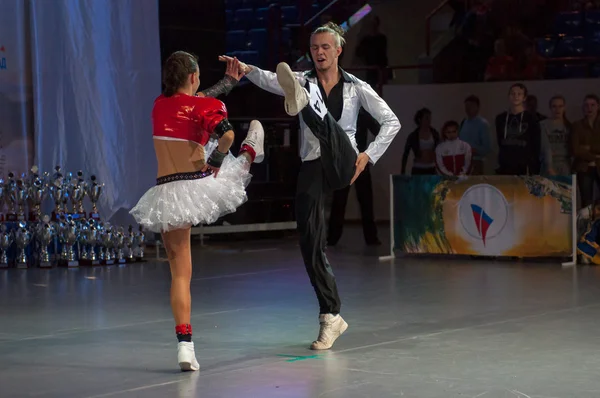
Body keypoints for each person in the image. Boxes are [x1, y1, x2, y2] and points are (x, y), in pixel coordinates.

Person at [219, 21, 400, 350]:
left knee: (327, 124)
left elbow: (392, 121)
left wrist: (369, 155)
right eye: (315, 47)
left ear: (338, 50)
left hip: (344, 161)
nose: (319, 52)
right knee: (310, 241)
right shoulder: (301, 79)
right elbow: (271, 79)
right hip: (313, 165)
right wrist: (245, 69)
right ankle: (331, 316)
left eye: (325, 47)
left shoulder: (356, 87)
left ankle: (306, 104)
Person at [129, 51, 265, 371]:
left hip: (167, 192)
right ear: (193, 77)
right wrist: (218, 157)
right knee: (231, 174)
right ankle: (249, 153)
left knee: (180, 275)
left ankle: (185, 347)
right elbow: (225, 131)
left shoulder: (159, 106)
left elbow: (194, 100)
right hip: (196, 183)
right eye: (199, 75)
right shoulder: (203, 107)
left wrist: (226, 83)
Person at [327, 108, 381, 247]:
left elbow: (378, 130)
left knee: (365, 200)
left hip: (359, 160)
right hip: (345, 161)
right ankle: (332, 238)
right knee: (340, 200)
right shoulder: (341, 112)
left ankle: (370, 237)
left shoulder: (362, 115)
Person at [495, 83, 541, 175]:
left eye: (519, 94)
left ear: (524, 98)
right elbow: (500, 141)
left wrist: (533, 167)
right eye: (513, 93)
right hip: (505, 166)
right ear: (509, 96)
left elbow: (536, 145)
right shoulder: (500, 118)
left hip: (525, 167)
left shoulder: (532, 118)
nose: (516, 96)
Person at [571, 94, 600, 208]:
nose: (589, 108)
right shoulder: (577, 125)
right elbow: (576, 150)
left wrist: (588, 148)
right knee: (586, 200)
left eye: (593, 105)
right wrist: (596, 156)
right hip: (584, 167)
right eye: (586, 105)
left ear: (598, 106)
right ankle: (586, 225)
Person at [401, 108, 440, 175]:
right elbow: (405, 154)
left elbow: (440, 148)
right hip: (418, 168)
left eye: (430, 118)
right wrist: (403, 171)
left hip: (432, 167)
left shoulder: (434, 133)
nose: (429, 120)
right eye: (426, 118)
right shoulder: (413, 135)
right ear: (420, 119)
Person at [459, 95, 491, 175]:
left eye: (471, 106)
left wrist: (472, 150)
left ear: (477, 107)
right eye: (466, 106)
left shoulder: (482, 124)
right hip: (462, 162)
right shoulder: (464, 122)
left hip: (476, 162)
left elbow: (486, 148)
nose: (468, 109)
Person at [539, 95, 571, 176]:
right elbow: (545, 147)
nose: (557, 109)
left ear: (564, 108)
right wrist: (549, 167)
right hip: (548, 164)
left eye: (560, 106)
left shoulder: (568, 125)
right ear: (550, 108)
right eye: (554, 106)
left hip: (566, 165)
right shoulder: (543, 125)